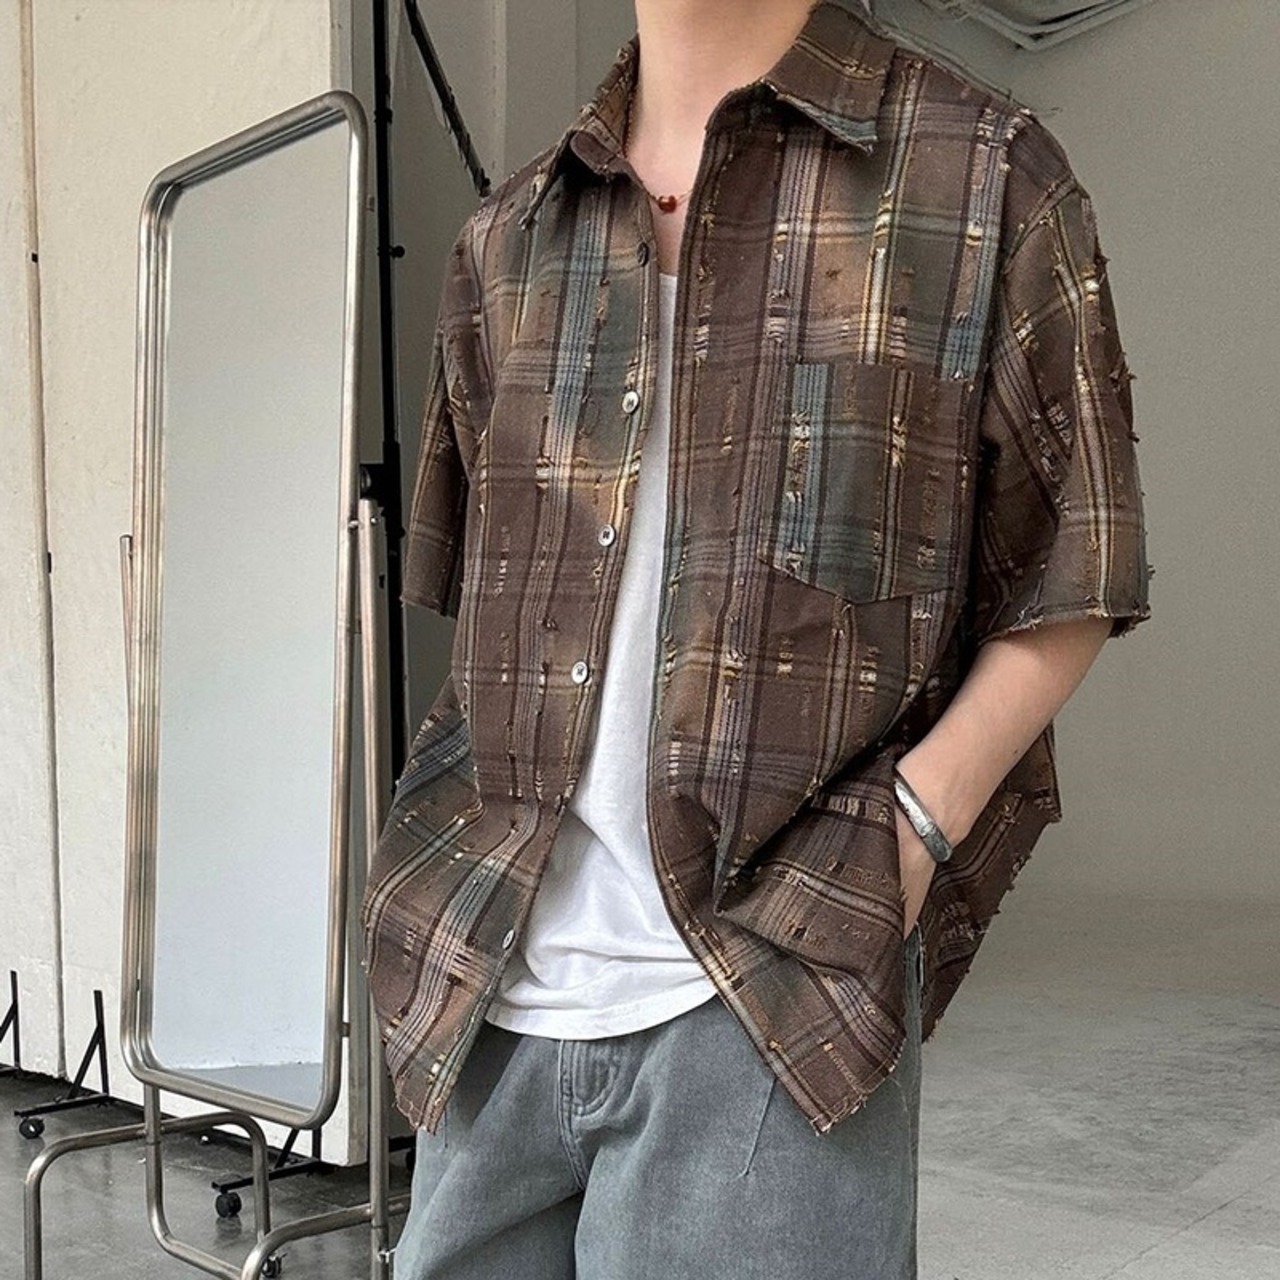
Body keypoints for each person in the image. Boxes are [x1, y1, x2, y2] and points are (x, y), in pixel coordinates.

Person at [362, 1, 1152, 1275]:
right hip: (488, 997)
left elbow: (1074, 560)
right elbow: (491, 623)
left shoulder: (977, 176)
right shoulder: (507, 241)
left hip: (769, 994)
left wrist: (913, 826)